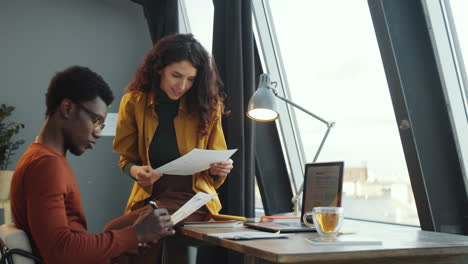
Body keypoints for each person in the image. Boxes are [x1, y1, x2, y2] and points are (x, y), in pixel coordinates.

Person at [10, 66, 175, 264]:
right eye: (95, 120)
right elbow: (61, 252)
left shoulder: (37, 157)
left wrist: (134, 235)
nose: (97, 133)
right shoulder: (47, 165)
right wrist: (135, 235)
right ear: (67, 108)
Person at [111, 33, 233, 221]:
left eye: (191, 79)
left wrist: (220, 168)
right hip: (150, 197)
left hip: (194, 198)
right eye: (176, 75)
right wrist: (136, 171)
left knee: (136, 229)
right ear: (159, 69)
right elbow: (126, 160)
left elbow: (216, 164)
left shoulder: (209, 106)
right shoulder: (133, 103)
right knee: (135, 231)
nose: (182, 86)